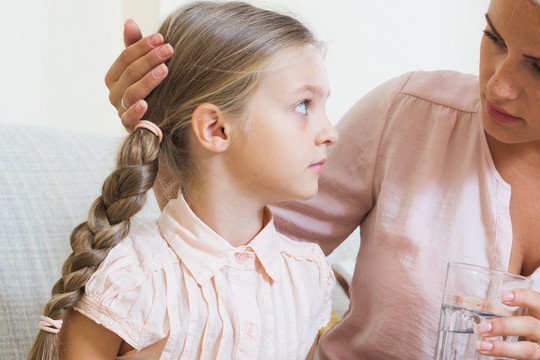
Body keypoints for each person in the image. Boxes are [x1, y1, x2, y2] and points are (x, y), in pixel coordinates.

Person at [107, 0, 540, 359]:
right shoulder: (408, 113)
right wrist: (167, 118)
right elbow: (231, 246)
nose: (498, 84)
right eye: (493, 38)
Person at [29, 2, 338, 359]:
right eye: (303, 105)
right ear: (216, 128)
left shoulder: (309, 275)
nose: (330, 132)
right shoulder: (127, 281)